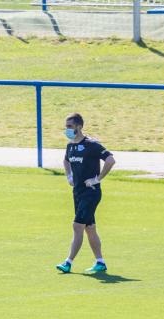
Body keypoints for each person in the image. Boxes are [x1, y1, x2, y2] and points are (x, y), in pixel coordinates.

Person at [56, 113, 116, 274]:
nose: (67, 129)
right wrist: (68, 175)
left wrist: (97, 179)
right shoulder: (70, 146)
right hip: (78, 192)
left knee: (77, 226)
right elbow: (66, 160)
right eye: (66, 126)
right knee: (90, 228)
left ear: (79, 127)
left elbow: (110, 160)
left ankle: (68, 262)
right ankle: (100, 262)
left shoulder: (91, 145)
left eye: (69, 126)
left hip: (91, 193)